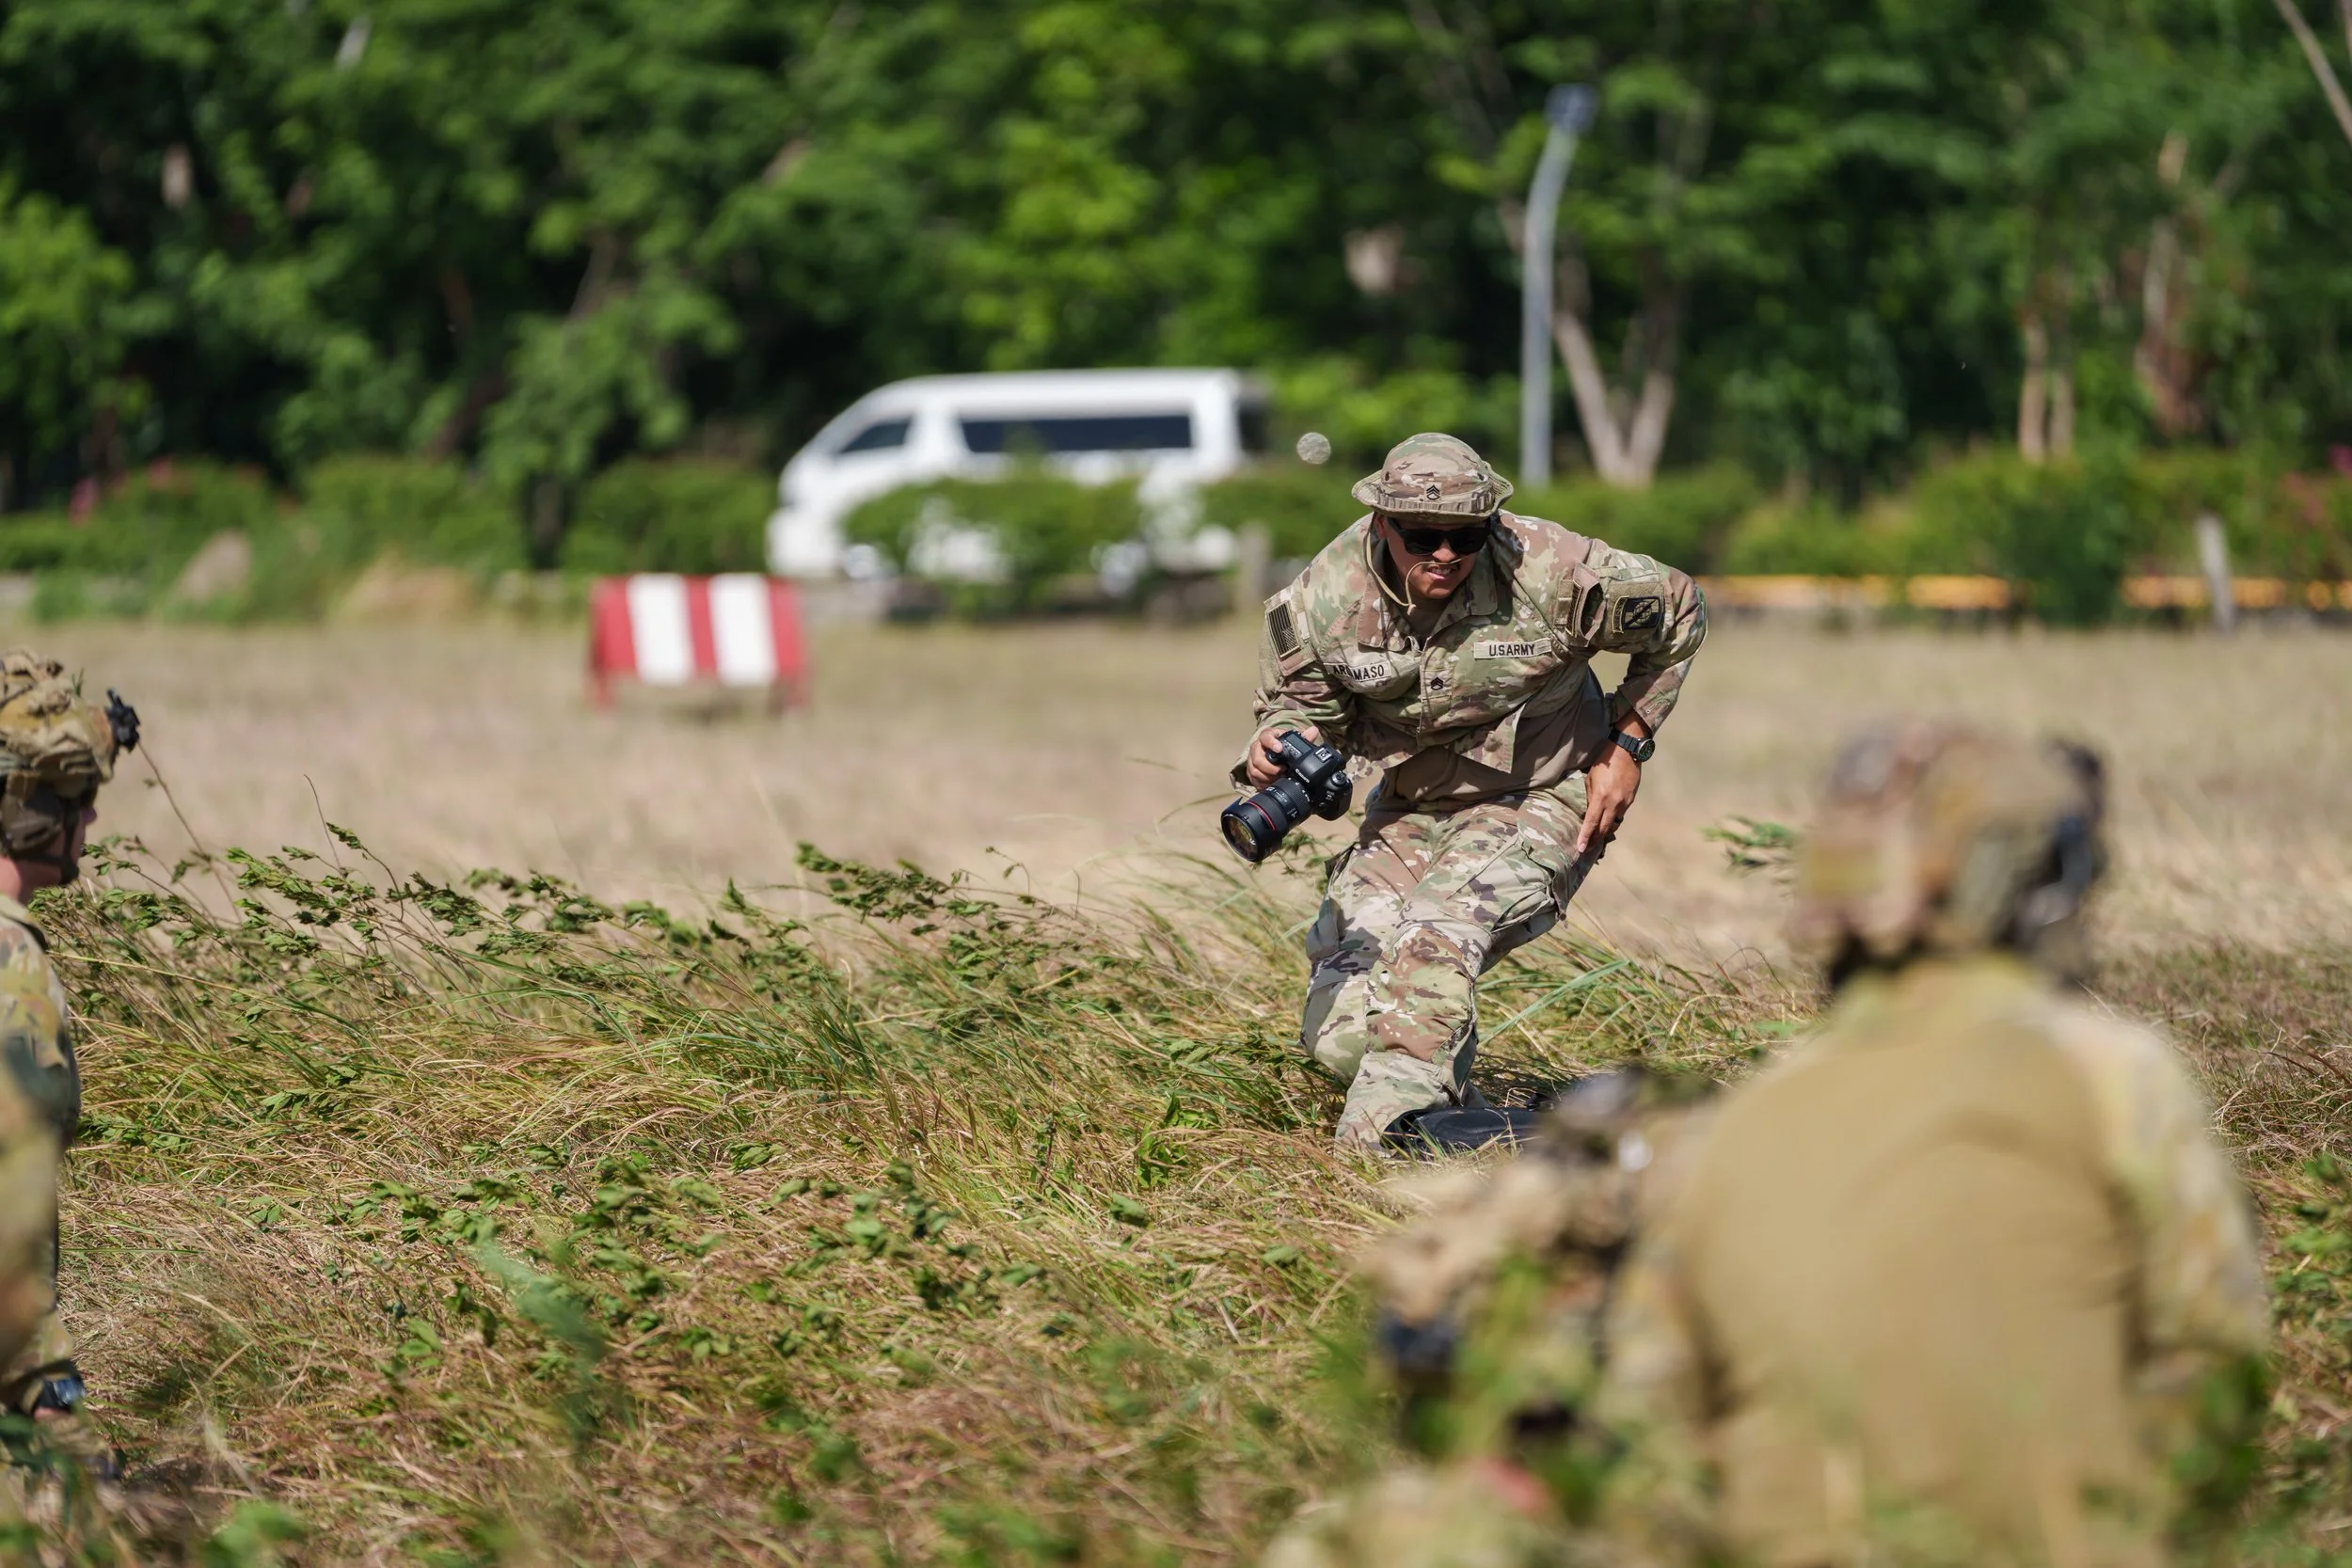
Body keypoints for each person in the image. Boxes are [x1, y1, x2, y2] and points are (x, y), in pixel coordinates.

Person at [1597, 721, 2270, 1567]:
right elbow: (2217, 1370)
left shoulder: (1726, 1134)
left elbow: (1647, 1443)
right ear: (2037, 887)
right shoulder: (2117, 1083)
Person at [1239, 433, 1706, 1151]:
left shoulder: (1550, 571)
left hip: (1539, 793)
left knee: (1432, 941)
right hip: (1409, 807)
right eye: (1424, 536)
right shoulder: (1320, 604)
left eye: (1466, 535)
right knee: (1342, 1032)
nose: (1447, 555)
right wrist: (1278, 745)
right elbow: (1304, 715)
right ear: (1382, 524)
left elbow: (1678, 608)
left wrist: (1628, 741)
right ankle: (1512, 1134)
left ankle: (1379, 1155)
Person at [0, 650, 138, 1465]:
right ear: (32, 815)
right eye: (79, 800)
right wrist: (48, 1394)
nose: (89, 824)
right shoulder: (14, 971)